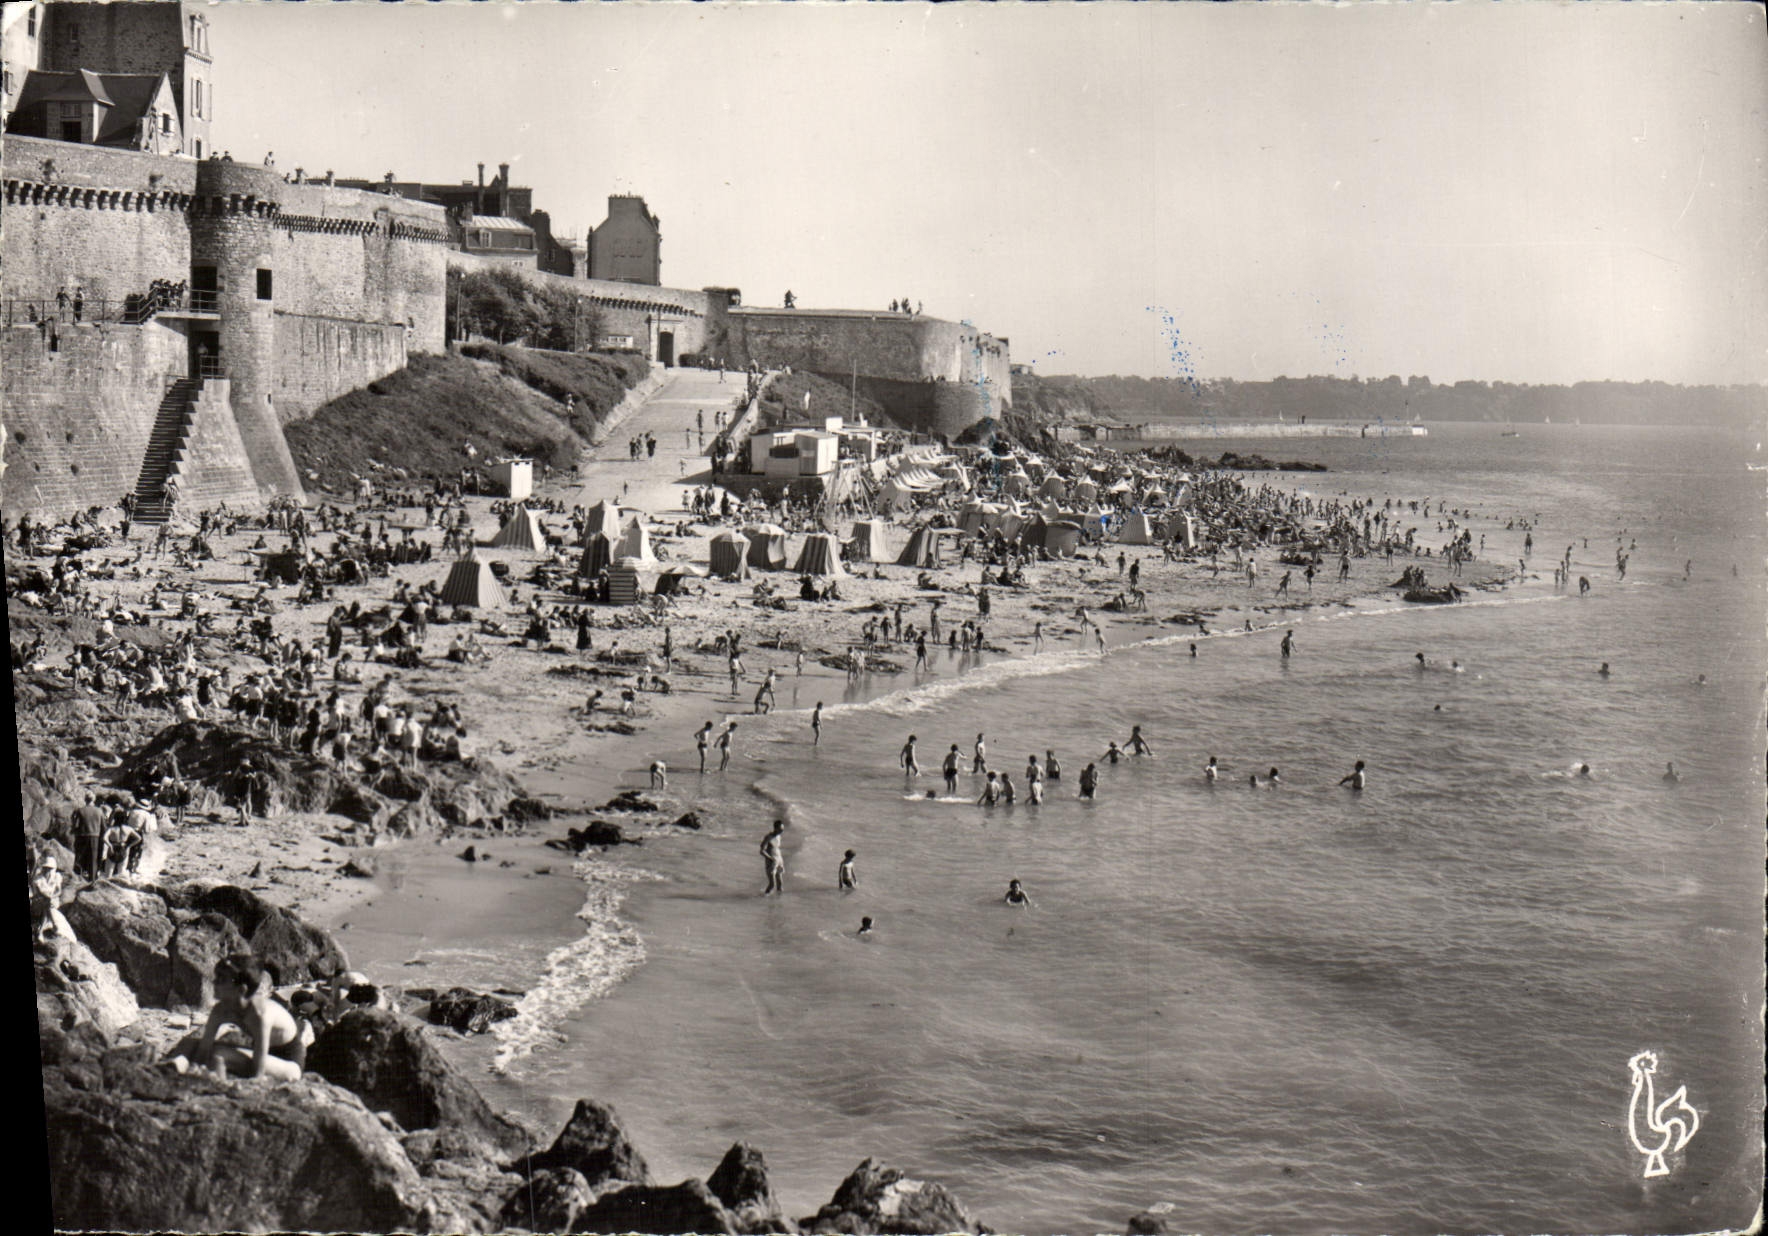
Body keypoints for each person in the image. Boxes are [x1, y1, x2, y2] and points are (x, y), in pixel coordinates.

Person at [167, 955, 308, 1081]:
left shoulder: (259, 1014)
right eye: (217, 978)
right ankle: (172, 1069)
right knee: (189, 1043)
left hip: (289, 1062)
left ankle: (217, 1091)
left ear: (241, 990)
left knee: (219, 1055)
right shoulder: (220, 1010)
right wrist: (195, 1067)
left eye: (222, 980)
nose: (215, 983)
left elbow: (258, 1070)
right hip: (261, 1054)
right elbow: (204, 1048)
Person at [759, 819, 786, 895]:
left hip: (779, 859)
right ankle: (763, 898)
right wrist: (770, 858)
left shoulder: (779, 836)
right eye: (781, 829)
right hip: (772, 860)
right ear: (776, 828)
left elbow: (777, 847)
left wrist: (779, 859)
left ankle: (779, 901)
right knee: (772, 884)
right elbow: (761, 851)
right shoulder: (769, 837)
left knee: (780, 884)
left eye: (783, 829)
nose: (782, 831)